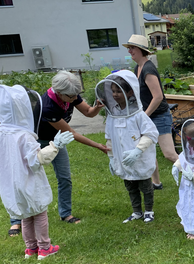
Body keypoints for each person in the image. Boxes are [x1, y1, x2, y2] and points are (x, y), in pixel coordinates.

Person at [0, 85, 74, 259]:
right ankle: (44, 248)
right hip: (28, 180)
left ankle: (31, 249)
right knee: (39, 212)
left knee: (26, 216)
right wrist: (55, 145)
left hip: (11, 182)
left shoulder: (1, 133)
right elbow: (37, 161)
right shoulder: (24, 136)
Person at [34, 70, 108, 225]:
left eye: (77, 95)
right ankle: (17, 219)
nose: (75, 99)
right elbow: (71, 133)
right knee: (27, 178)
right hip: (37, 141)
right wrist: (98, 146)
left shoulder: (70, 93)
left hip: (57, 140)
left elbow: (88, 112)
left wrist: (97, 106)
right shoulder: (48, 106)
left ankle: (65, 214)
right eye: (71, 96)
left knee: (65, 178)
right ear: (59, 92)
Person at [95, 70, 159, 223]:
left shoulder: (139, 115)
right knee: (130, 185)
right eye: (113, 91)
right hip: (122, 158)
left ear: (130, 92)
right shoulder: (113, 115)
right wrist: (111, 157)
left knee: (145, 185)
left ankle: (149, 211)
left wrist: (138, 150)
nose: (115, 94)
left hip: (140, 157)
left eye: (119, 91)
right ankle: (137, 212)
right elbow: (109, 137)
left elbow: (151, 134)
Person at [123, 34, 178, 190]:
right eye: (129, 48)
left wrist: (144, 116)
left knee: (169, 153)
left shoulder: (148, 69)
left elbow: (158, 97)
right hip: (148, 116)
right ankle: (156, 183)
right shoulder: (138, 67)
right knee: (148, 151)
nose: (129, 51)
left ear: (140, 50)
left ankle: (192, 174)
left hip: (159, 116)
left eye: (132, 48)